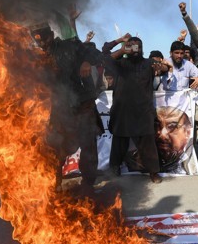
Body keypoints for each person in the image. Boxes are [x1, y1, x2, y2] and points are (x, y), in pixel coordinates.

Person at [30, 23, 104, 196]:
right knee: (55, 149)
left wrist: (86, 62)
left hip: (83, 106)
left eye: (44, 39)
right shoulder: (38, 58)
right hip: (60, 109)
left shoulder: (70, 45)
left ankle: (88, 184)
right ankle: (54, 183)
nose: (42, 44)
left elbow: (96, 54)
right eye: (37, 41)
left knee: (88, 147)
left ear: (50, 35)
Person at [106, 36, 169, 183]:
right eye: (131, 46)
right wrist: (122, 50)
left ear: (142, 49)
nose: (135, 49)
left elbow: (165, 68)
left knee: (147, 144)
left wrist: (161, 67)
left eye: (138, 47)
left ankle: (153, 172)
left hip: (142, 111)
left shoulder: (149, 63)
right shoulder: (120, 63)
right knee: (119, 142)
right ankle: (114, 168)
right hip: (122, 110)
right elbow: (106, 60)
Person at [155, 106, 193, 174]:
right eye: (156, 126)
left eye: (172, 127)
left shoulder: (190, 163)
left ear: (187, 132)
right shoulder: (135, 160)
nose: (162, 135)